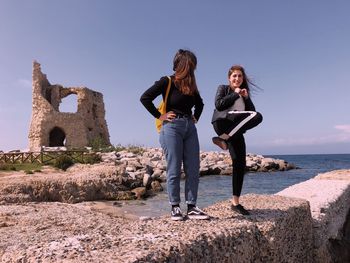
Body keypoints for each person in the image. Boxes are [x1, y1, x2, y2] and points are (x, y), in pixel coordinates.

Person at [140, 49, 209, 221]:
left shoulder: (192, 87)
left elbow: (200, 104)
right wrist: (160, 116)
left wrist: (196, 118)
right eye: (191, 65)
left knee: (193, 168)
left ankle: (192, 207)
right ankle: (175, 207)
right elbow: (145, 98)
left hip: (190, 128)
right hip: (171, 127)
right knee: (174, 168)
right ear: (182, 65)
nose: (193, 70)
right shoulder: (167, 81)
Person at [211, 65, 263, 215]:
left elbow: (250, 114)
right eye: (234, 76)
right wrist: (235, 93)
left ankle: (235, 203)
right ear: (229, 78)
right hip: (223, 123)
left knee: (240, 164)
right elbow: (219, 104)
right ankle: (223, 138)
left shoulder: (244, 94)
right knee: (259, 116)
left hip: (235, 131)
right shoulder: (223, 88)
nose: (237, 78)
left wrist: (246, 98)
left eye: (240, 76)